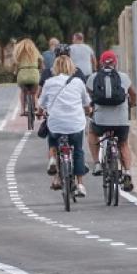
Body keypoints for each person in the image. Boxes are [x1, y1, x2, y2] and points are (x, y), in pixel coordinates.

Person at [38, 54, 90, 197]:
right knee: (78, 150)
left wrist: (39, 112)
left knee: (53, 139)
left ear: (55, 68)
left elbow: (41, 105)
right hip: (75, 125)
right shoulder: (78, 82)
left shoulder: (48, 82)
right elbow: (87, 103)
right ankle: (80, 185)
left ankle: (53, 159)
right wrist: (89, 111)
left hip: (56, 124)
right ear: (71, 67)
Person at [86, 51, 136, 192]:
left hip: (100, 121)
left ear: (101, 63)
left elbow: (89, 94)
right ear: (115, 63)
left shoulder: (93, 77)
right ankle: (127, 172)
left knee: (92, 132)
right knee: (123, 144)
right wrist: (133, 103)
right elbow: (134, 94)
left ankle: (97, 163)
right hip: (121, 121)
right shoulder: (124, 77)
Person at [13, 38, 43, 116]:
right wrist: (40, 68)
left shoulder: (19, 53)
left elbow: (16, 64)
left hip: (22, 75)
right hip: (34, 75)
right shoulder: (35, 52)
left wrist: (16, 72)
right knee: (34, 92)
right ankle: (36, 104)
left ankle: (22, 110)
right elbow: (41, 61)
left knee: (23, 91)